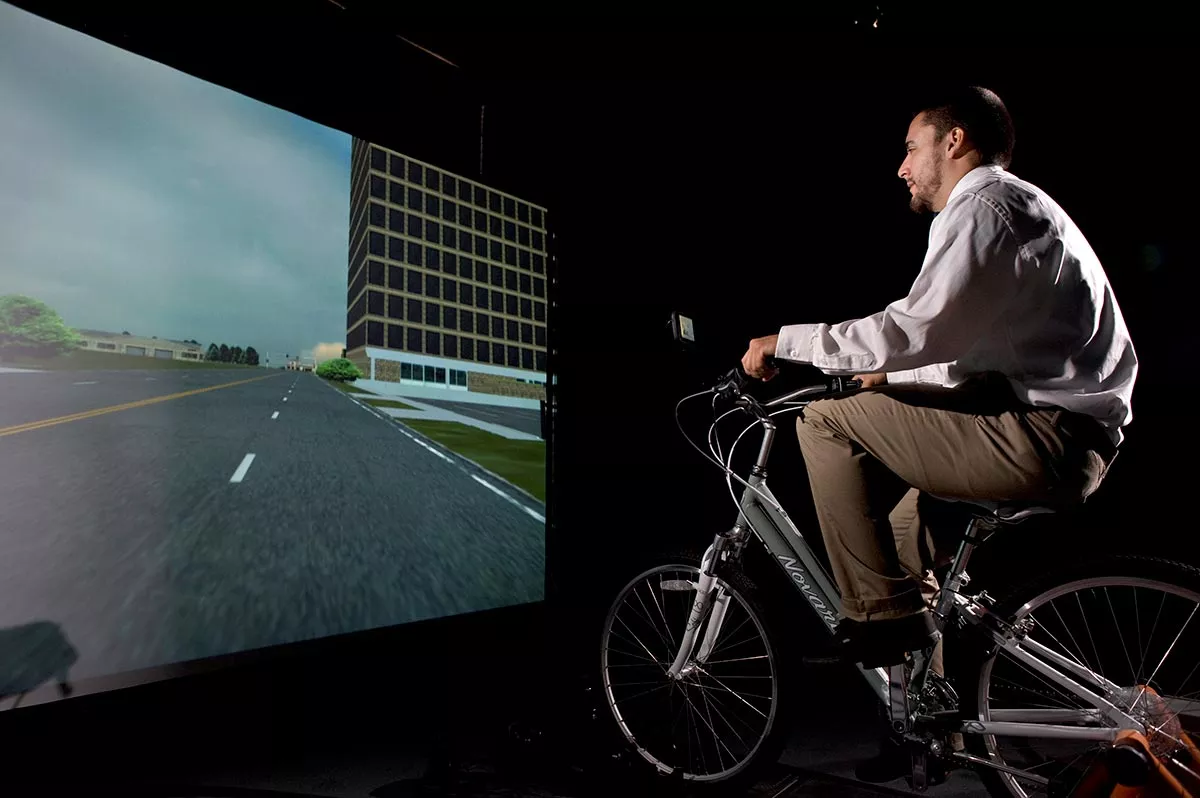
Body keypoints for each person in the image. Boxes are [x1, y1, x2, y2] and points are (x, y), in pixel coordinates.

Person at [740, 86, 1136, 673]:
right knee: (904, 530)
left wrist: (789, 341)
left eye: (910, 147)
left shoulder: (982, 208)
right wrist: (883, 376)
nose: (901, 168)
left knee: (823, 423)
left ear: (954, 141)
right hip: (1062, 432)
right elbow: (962, 349)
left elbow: (914, 328)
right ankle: (925, 714)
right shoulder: (1025, 208)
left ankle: (877, 616)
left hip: (1040, 436)